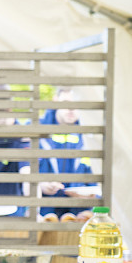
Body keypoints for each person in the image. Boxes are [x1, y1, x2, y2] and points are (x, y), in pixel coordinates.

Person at [37, 87, 99, 219]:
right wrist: (41, 185)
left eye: (76, 104)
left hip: (80, 216)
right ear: (55, 101)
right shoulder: (37, 131)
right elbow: (23, 171)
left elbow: (98, 177)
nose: (71, 109)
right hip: (44, 215)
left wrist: (92, 193)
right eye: (66, 103)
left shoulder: (91, 134)